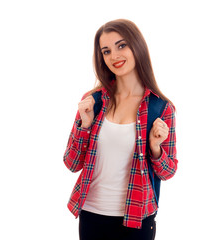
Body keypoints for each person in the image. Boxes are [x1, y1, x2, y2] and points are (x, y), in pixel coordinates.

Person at [63, 19, 178, 240]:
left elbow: (168, 171)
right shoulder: (92, 102)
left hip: (137, 219)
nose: (114, 56)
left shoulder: (161, 108)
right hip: (91, 213)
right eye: (106, 51)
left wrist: (155, 148)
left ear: (137, 46)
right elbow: (71, 163)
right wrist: (84, 126)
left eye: (121, 45)